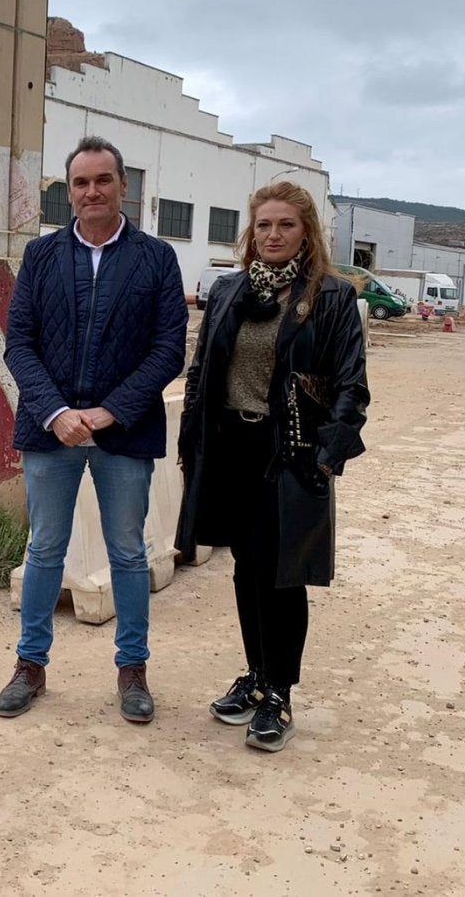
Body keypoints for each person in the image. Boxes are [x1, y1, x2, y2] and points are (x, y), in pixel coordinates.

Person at [0, 136, 187, 724]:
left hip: (123, 432)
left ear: (124, 186)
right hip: (49, 430)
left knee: (128, 551)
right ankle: (30, 664)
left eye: (103, 180)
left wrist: (111, 412)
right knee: (44, 548)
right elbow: (19, 343)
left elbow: (168, 350)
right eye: (80, 182)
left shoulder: (157, 258)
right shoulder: (41, 256)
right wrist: (56, 412)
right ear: (69, 191)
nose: (92, 191)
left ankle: (133, 669)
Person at [175, 180, 369, 752]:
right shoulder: (230, 291)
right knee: (245, 567)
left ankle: (280, 693)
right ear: (251, 232)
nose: (274, 234)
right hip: (230, 447)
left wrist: (328, 459)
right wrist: (190, 440)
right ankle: (257, 676)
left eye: (286, 224)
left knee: (283, 573)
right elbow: (200, 370)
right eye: (264, 224)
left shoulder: (331, 296)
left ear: (306, 232)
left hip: (289, 452)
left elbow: (351, 386)